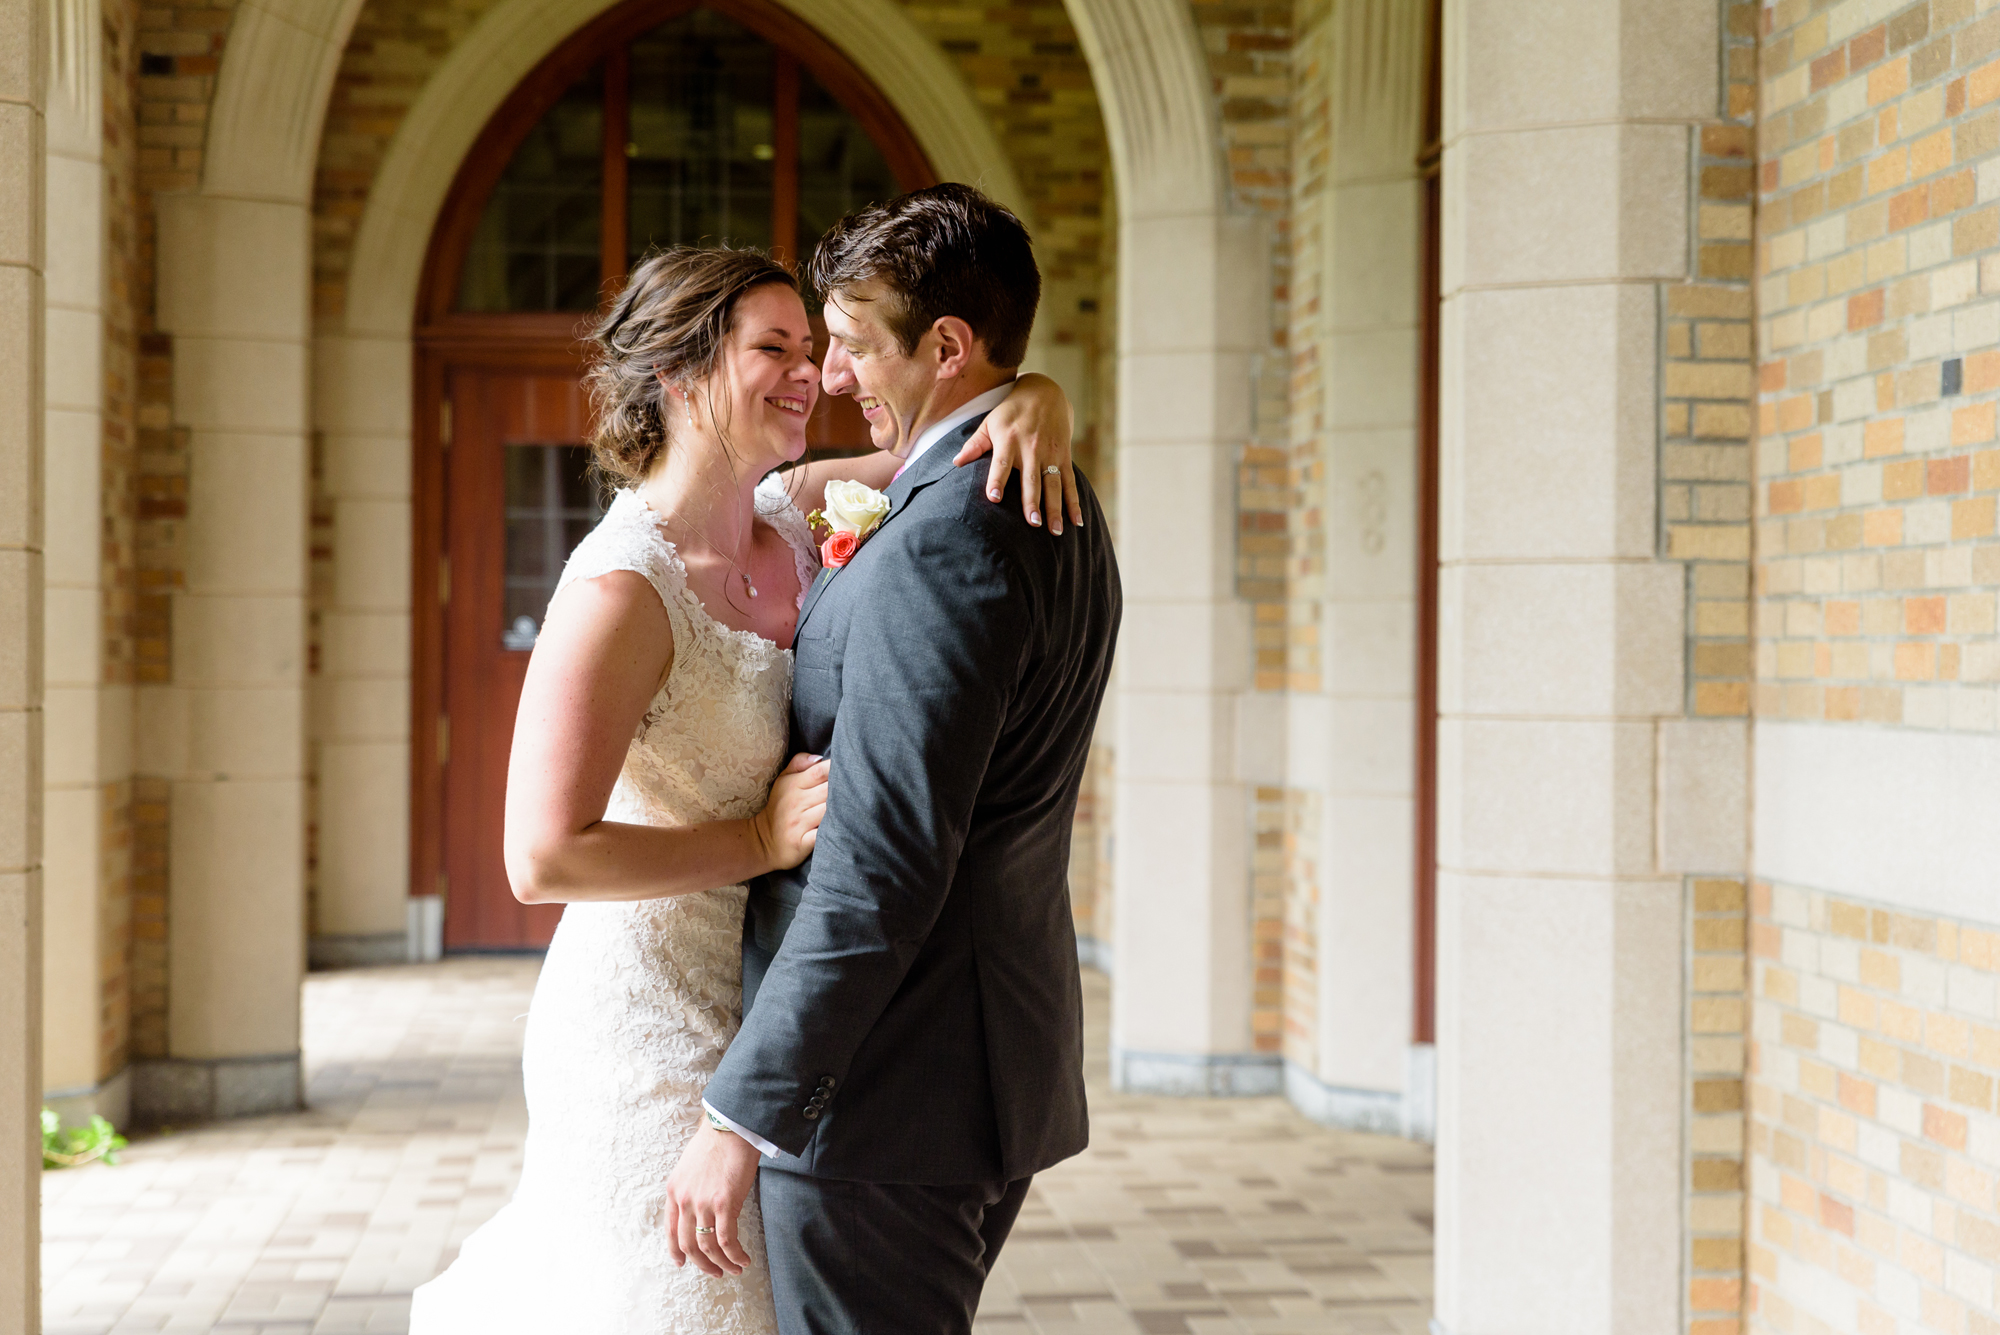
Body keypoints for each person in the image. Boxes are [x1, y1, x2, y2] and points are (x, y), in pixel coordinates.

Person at [406, 243, 1079, 1334]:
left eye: (814, 349)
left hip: (773, 1007)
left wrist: (1036, 398)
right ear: (677, 376)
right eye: (774, 348)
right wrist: (755, 842)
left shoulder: (795, 512)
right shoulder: (624, 584)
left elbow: (944, 443)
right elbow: (540, 859)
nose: (810, 374)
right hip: (650, 1015)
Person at [663, 184, 1122, 1334]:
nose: (830, 378)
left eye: (854, 346)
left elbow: (880, 863)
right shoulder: (1048, 498)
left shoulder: (941, 543)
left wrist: (743, 1119)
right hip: (973, 1072)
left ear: (949, 347)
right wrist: (1028, 393)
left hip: (882, 1096)